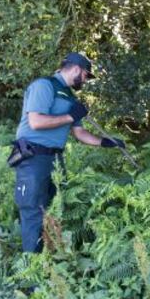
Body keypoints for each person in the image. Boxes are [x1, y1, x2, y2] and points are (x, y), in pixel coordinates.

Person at [12, 52, 124, 253]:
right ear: (76, 69)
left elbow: (79, 133)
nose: (85, 80)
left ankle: (48, 261)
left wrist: (106, 142)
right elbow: (36, 122)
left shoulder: (71, 98)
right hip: (33, 158)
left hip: (55, 160)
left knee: (54, 209)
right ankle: (31, 277)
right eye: (85, 75)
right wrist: (70, 116)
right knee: (33, 213)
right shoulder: (44, 86)